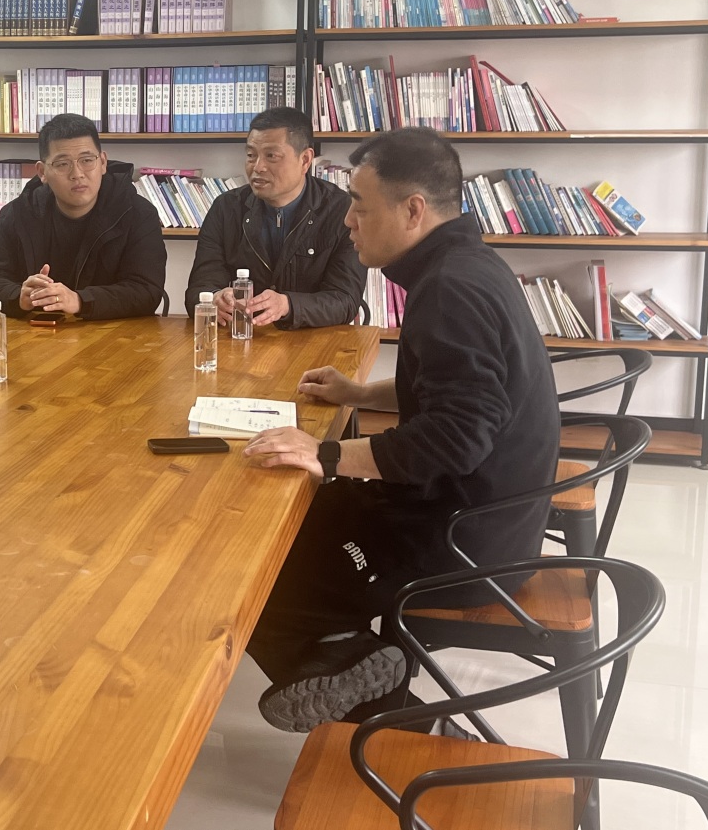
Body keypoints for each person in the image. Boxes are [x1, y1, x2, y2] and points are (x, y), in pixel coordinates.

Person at [239, 127, 559, 733]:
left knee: (252, 568)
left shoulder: (450, 289)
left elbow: (456, 438)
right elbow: (458, 393)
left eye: (359, 206)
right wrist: (361, 394)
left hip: (463, 544)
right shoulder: (467, 265)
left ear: (413, 210)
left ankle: (399, 720)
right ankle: (350, 654)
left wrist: (326, 453)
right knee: (302, 520)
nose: (347, 222)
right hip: (493, 517)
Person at [0, 112, 166, 318]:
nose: (77, 174)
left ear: (103, 162)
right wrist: (19, 297)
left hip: (112, 333)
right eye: (62, 164)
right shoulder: (18, 213)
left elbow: (147, 291)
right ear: (42, 172)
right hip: (36, 332)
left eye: (87, 160)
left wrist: (79, 300)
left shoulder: (137, 213)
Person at [184, 106, 364, 328]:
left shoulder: (341, 211)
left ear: (305, 160)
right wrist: (214, 298)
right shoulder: (226, 208)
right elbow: (198, 289)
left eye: (271, 156)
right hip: (241, 338)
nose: (258, 167)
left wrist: (288, 305)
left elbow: (345, 300)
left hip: (312, 340)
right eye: (251, 155)